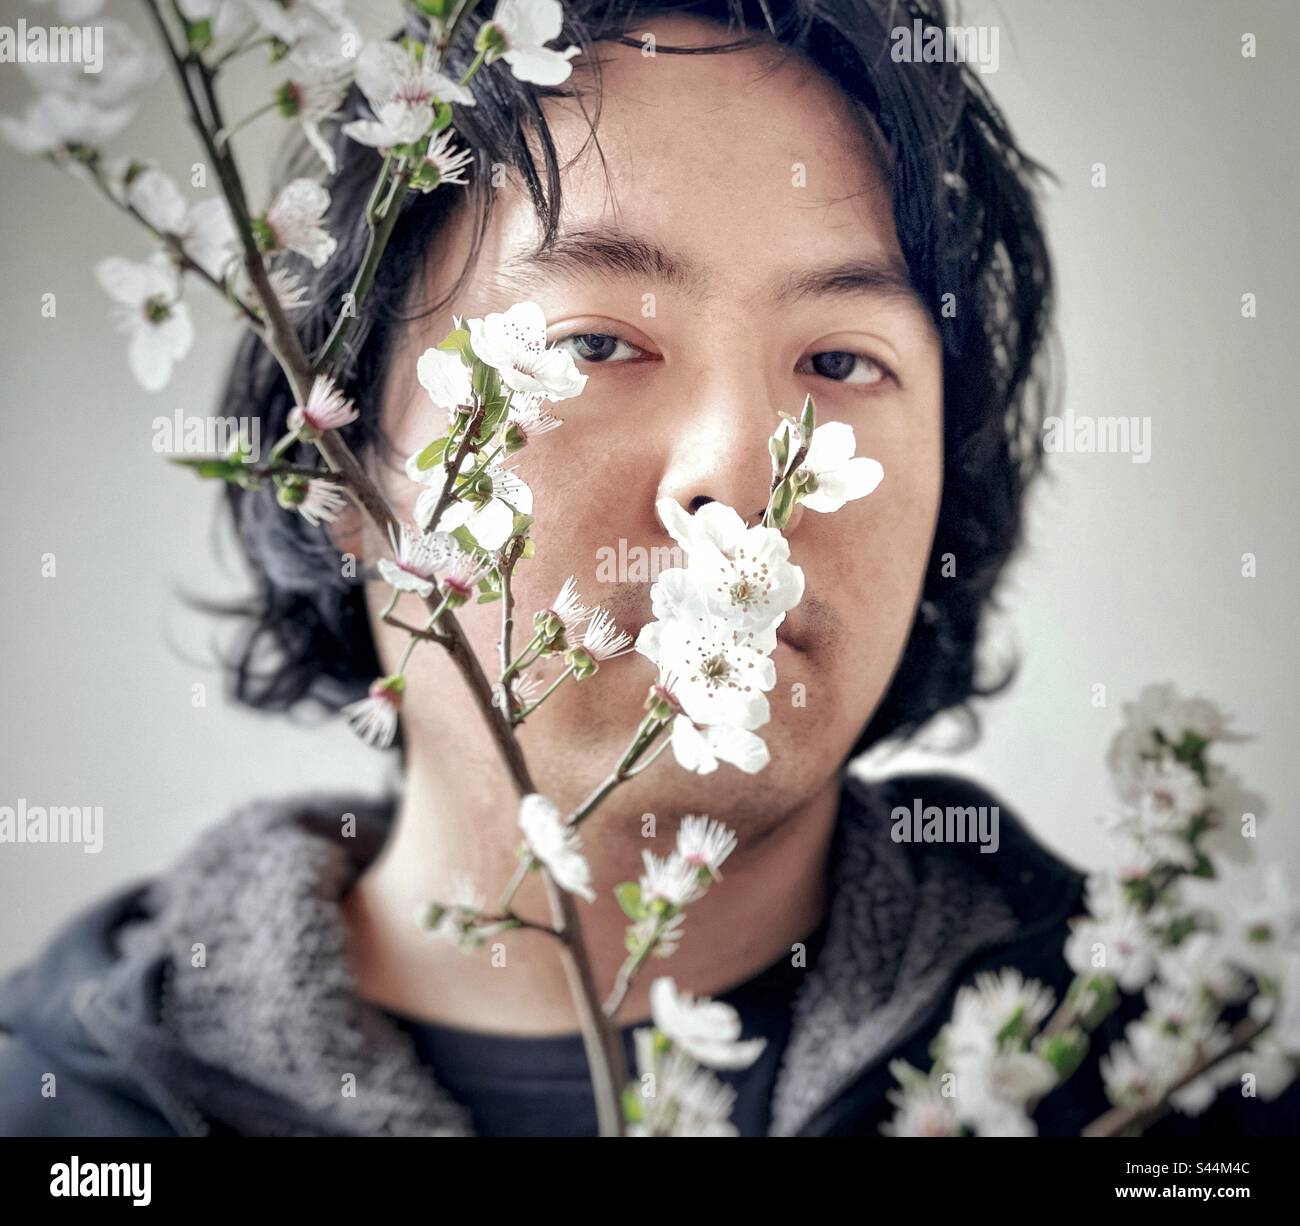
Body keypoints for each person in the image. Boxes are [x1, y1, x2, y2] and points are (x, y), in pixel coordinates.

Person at [0, 0, 1292, 1138]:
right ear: (337, 460)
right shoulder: (70, 1106)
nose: (735, 478)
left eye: (842, 362)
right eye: (598, 345)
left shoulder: (1187, 1081)